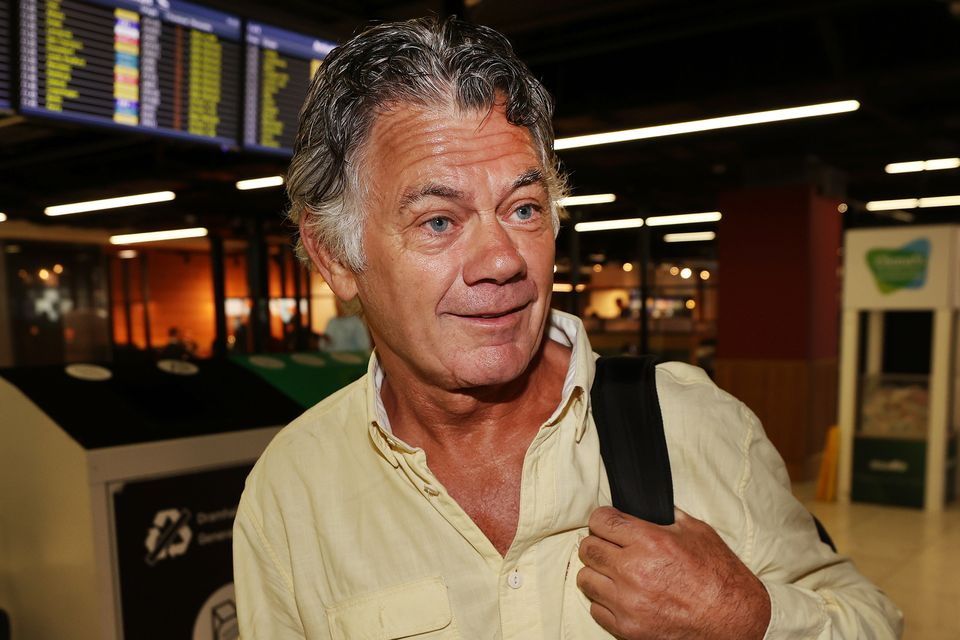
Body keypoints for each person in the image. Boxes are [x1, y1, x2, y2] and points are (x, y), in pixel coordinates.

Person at [234, 17, 902, 639]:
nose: (502, 260)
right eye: (439, 220)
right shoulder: (293, 492)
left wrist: (747, 618)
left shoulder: (693, 425)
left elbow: (873, 620)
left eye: (523, 209)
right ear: (337, 259)